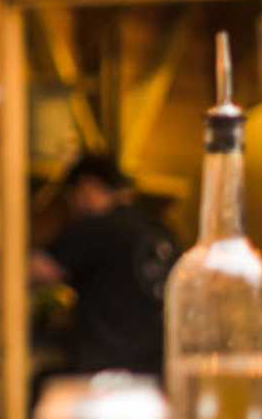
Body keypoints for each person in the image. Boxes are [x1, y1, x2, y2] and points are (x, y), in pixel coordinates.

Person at [29, 155, 180, 379]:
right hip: (159, 370)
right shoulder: (163, 232)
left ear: (87, 186)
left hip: (108, 370)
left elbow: (36, 271)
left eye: (72, 199)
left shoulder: (96, 227)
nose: (73, 209)